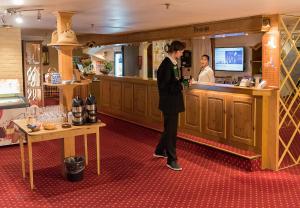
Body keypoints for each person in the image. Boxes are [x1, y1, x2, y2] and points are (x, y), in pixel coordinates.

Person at [153, 40, 185, 171]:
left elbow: (174, 81)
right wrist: (181, 85)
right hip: (169, 103)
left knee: (169, 129)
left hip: (173, 102)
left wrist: (184, 82)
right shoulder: (166, 65)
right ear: (176, 51)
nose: (182, 54)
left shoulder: (173, 63)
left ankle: (160, 150)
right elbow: (164, 86)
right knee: (171, 132)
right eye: (182, 52)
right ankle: (172, 160)